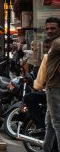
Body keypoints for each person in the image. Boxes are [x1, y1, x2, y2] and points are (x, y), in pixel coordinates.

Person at [33, 17, 60, 151]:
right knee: (49, 123)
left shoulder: (57, 43)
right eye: (48, 28)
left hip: (55, 87)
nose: (49, 31)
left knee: (57, 123)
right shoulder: (54, 43)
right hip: (51, 87)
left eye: (53, 28)